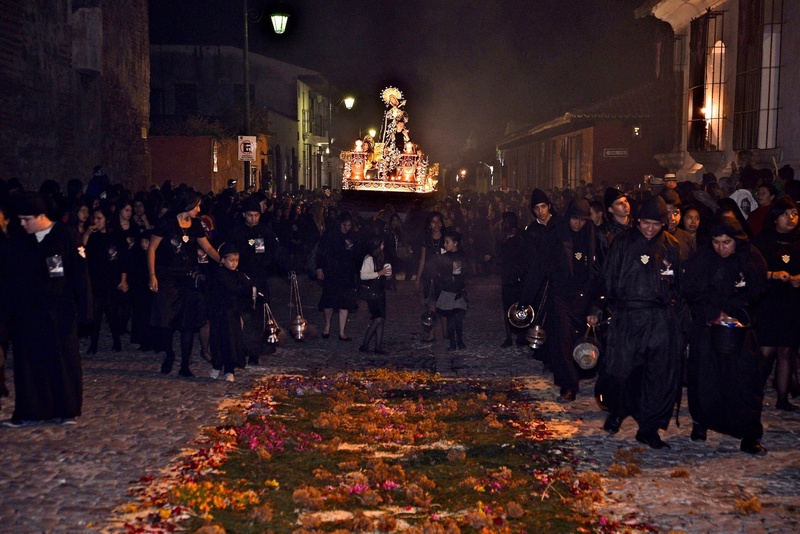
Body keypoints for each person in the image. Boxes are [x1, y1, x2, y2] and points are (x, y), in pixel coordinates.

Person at [592, 195, 683, 449]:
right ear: (638, 221)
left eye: (656, 224)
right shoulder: (623, 243)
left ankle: (649, 427)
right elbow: (608, 278)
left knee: (657, 374)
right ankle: (618, 411)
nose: (650, 229)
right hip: (629, 316)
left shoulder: (671, 245)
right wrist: (598, 306)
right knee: (623, 370)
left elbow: (678, 286)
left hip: (658, 319)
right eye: (645, 223)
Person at [1, 192, 91, 426]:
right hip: (28, 312)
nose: (22, 224)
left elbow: (80, 276)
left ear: (41, 216)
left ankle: (66, 409)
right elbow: (10, 278)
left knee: (62, 360)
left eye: (26, 219)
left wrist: (85, 311)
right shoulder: (19, 240)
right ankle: (30, 410)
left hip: (59, 311)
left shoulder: (66, 237)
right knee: (28, 364)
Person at [683, 215, 769, 454]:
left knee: (744, 382)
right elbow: (691, 290)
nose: (721, 248)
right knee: (704, 379)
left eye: (726, 242)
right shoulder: (703, 258)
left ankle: (749, 433)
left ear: (736, 241)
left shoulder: (750, 257)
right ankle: (701, 422)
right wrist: (713, 313)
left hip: (739, 330)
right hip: (708, 329)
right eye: (716, 242)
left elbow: (758, 290)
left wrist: (736, 311)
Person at [522, 199, 601, 401]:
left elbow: (598, 272)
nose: (578, 224)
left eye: (582, 220)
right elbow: (539, 268)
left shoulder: (591, 235)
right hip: (560, 295)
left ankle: (581, 375)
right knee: (562, 340)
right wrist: (526, 299)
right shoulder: (555, 235)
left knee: (581, 340)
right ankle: (568, 385)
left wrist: (596, 304)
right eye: (574, 219)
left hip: (584, 296)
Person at [148, 189, 220, 378]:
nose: (199, 209)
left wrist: (223, 262)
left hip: (188, 278)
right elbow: (152, 248)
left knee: (188, 323)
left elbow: (207, 247)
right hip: (166, 278)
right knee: (165, 322)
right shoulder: (166, 223)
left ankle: (185, 366)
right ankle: (170, 355)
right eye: (196, 205)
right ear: (187, 205)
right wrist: (152, 275)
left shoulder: (196, 224)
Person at [753, 197, 800, 411]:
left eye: (794, 214)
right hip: (769, 302)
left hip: (791, 302)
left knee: (786, 350)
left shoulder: (798, 241)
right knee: (765, 351)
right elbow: (751, 271)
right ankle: (754, 394)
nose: (790, 218)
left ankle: (782, 397)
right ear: (775, 218)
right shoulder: (763, 242)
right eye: (785, 214)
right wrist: (772, 274)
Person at [229, 197, 281, 364]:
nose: (253, 218)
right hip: (241, 278)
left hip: (259, 278)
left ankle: (254, 351)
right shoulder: (236, 232)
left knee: (258, 317)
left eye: (256, 215)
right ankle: (239, 348)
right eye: (250, 215)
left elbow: (273, 253)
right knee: (240, 315)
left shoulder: (265, 231)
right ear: (244, 214)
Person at [208, 243, 255, 382]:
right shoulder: (219, 274)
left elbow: (246, 288)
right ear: (223, 260)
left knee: (231, 341)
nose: (234, 264)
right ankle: (216, 366)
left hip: (232, 313)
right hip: (219, 312)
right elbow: (232, 289)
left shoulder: (238, 274)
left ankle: (229, 369)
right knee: (217, 340)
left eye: (236, 260)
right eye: (231, 260)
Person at [85, 205, 128, 353]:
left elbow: (123, 259)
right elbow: (82, 251)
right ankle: (93, 344)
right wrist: (87, 233)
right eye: (94, 218)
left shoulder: (116, 236)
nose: (96, 221)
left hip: (112, 279)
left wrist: (123, 280)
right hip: (96, 279)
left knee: (112, 312)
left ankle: (116, 341)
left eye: (99, 218)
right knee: (96, 313)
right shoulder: (94, 236)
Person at [315, 211, 359, 340]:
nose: (347, 228)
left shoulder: (353, 237)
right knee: (329, 301)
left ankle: (342, 331)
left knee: (344, 302)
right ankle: (327, 325)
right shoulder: (329, 236)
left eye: (349, 225)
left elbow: (356, 255)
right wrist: (319, 268)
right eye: (345, 225)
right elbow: (320, 253)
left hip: (346, 273)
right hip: (331, 272)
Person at [497, 211, 528, 348]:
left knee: (519, 306)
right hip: (507, 276)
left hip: (518, 277)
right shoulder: (503, 239)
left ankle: (521, 336)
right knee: (507, 308)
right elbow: (501, 257)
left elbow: (521, 258)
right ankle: (509, 336)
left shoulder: (520, 239)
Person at [415, 211, 447, 342]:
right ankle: (431, 333)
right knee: (431, 306)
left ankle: (445, 332)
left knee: (444, 306)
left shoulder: (445, 237)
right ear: (429, 224)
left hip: (443, 276)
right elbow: (422, 259)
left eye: (438, 221)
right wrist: (418, 278)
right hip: (429, 275)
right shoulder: (426, 238)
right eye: (433, 222)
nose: (436, 224)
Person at [435, 229, 468, 350]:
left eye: (447, 242)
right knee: (449, 319)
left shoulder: (462, 255)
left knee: (458, 319)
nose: (444, 244)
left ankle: (459, 341)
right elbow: (439, 273)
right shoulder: (443, 257)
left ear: (455, 243)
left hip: (458, 291)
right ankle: (453, 343)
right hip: (448, 291)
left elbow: (466, 272)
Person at [358, 235, 391, 354]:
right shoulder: (369, 258)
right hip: (371, 293)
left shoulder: (379, 258)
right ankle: (364, 345)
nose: (383, 246)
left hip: (379, 291)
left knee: (381, 319)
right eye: (382, 244)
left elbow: (380, 274)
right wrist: (379, 273)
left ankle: (378, 346)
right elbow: (364, 275)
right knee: (377, 319)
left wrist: (386, 275)